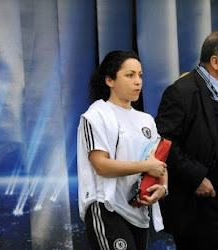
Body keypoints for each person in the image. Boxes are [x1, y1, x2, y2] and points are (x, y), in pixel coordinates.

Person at [155, 30, 218, 250]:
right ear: (215, 61)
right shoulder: (182, 92)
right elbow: (165, 142)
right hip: (199, 207)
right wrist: (196, 178)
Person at [77, 50, 168, 250]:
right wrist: (146, 166)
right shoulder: (96, 116)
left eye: (140, 75)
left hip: (139, 212)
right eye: (130, 75)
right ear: (109, 80)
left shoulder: (146, 120)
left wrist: (162, 187)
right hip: (106, 207)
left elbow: (158, 164)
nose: (138, 81)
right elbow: (101, 165)